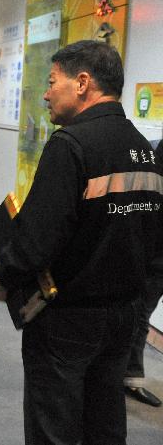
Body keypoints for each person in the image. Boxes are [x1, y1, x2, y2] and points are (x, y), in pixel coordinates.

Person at [0, 40, 163, 445]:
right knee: (104, 424)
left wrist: (0, 275)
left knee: (54, 428)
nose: (46, 93)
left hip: (67, 317)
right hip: (123, 317)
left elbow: (37, 240)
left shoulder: (71, 145)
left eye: (52, 82)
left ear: (82, 83)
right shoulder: (144, 152)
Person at [124, 139, 163, 407]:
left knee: (138, 318)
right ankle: (130, 378)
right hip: (152, 258)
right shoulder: (151, 153)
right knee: (138, 319)